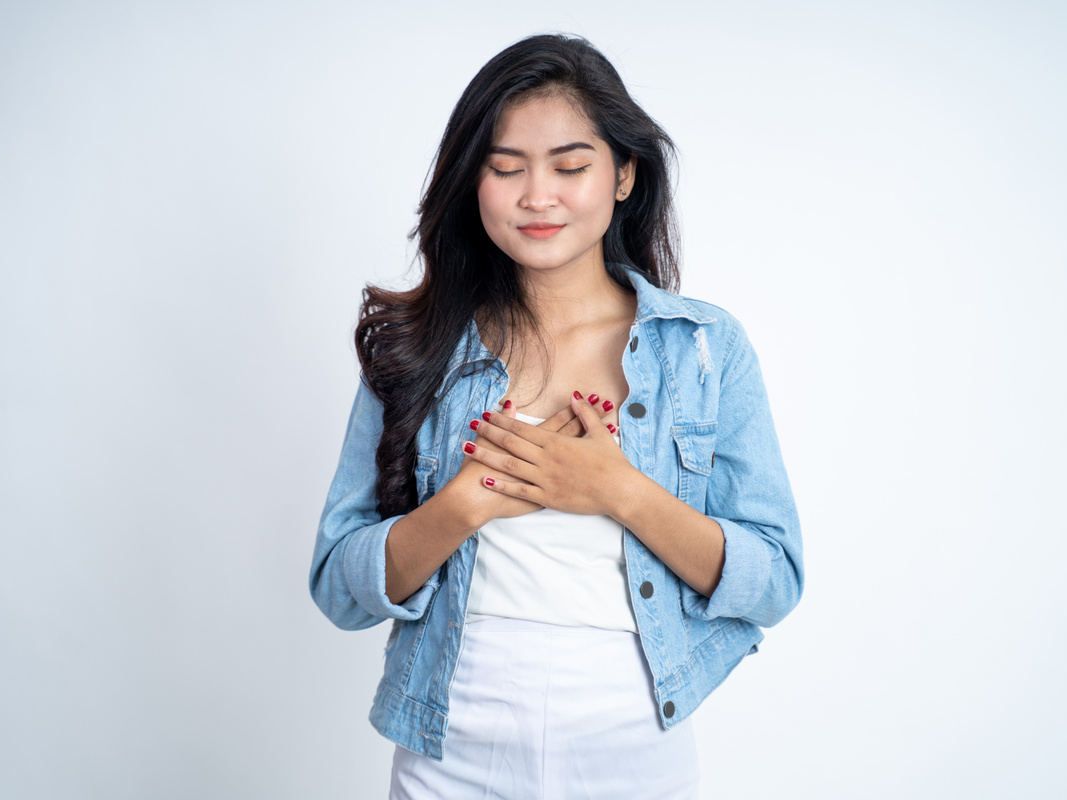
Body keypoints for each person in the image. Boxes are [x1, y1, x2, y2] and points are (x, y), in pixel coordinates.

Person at [309, 33, 803, 799]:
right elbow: (338, 587)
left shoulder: (702, 350)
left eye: (570, 167)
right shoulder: (421, 347)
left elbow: (774, 581)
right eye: (506, 169)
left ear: (624, 175)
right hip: (451, 742)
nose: (538, 196)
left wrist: (617, 488)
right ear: (473, 183)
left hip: (634, 742)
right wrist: (467, 502)